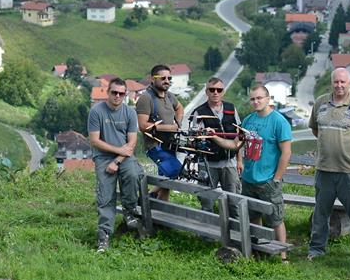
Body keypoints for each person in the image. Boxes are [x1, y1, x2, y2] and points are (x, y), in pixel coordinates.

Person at [307, 67, 350, 261]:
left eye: (343, 82)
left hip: (349, 170)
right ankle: (317, 249)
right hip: (324, 169)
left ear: (349, 83)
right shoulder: (320, 103)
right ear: (331, 82)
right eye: (336, 81)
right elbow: (315, 129)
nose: (339, 85)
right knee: (320, 213)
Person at [87, 77, 142, 253]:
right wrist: (116, 153)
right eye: (114, 92)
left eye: (121, 93)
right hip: (103, 158)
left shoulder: (130, 113)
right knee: (106, 196)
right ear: (108, 92)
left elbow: (132, 141)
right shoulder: (96, 112)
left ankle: (129, 210)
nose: (117, 96)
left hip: (124, 157)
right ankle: (104, 236)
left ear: (125, 95)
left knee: (133, 175)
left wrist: (118, 160)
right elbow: (95, 141)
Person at [240, 83, 293, 263]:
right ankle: (260, 249)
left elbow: (286, 153)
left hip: (268, 180)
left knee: (276, 218)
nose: (256, 102)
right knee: (254, 217)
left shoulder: (279, 121)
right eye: (253, 99)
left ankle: (283, 255)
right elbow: (239, 144)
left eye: (259, 98)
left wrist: (276, 178)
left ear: (268, 99)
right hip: (249, 179)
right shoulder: (248, 120)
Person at [189, 77, 242, 211]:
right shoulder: (198, 112)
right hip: (207, 164)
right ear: (206, 92)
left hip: (229, 162)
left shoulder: (231, 108)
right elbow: (192, 139)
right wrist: (201, 134)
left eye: (219, 90)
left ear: (223, 92)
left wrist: (239, 161)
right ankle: (207, 231)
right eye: (212, 90)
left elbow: (239, 137)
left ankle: (234, 231)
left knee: (233, 202)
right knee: (206, 202)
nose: (215, 93)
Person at [136, 64, 185, 201]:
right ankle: (146, 197)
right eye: (163, 78)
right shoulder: (146, 98)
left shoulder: (169, 96)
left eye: (169, 78)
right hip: (155, 146)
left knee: (166, 181)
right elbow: (142, 125)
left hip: (169, 144)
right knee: (177, 171)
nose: (167, 81)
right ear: (152, 79)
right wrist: (169, 128)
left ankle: (161, 209)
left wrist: (178, 123)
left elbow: (180, 108)